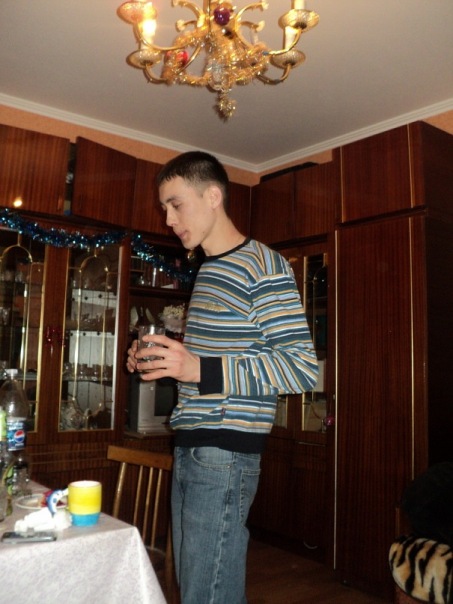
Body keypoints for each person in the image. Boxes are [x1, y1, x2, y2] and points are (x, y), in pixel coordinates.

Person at [126, 151, 318, 604]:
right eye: (164, 208)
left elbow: (300, 366)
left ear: (213, 196)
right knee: (198, 588)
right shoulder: (209, 270)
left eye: (176, 204)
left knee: (207, 594)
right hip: (193, 445)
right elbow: (208, 369)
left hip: (225, 451)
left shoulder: (262, 264)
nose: (169, 219)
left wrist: (197, 367)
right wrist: (161, 362)